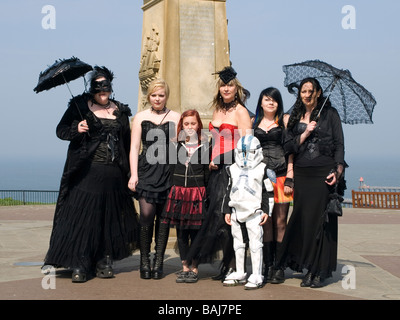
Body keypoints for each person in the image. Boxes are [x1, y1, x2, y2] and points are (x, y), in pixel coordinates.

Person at [43, 66, 139, 283]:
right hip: (87, 172)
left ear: (111, 87)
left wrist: (131, 173)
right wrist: (77, 129)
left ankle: (104, 260)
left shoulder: (121, 111)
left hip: (114, 174)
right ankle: (81, 261)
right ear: (92, 88)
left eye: (106, 87)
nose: (102, 91)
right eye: (98, 87)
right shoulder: (79, 106)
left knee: (108, 218)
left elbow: (126, 143)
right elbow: (61, 130)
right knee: (84, 218)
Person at [185, 66, 252, 281]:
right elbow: (214, 139)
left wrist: (220, 159)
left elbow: (247, 146)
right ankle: (227, 265)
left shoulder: (241, 112)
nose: (226, 88)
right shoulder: (217, 110)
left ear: (236, 88)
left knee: (223, 219)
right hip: (214, 171)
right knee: (216, 217)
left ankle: (228, 265)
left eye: (230, 85)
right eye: (223, 85)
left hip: (231, 171)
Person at [278, 77, 346, 288]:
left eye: (310, 91)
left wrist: (337, 170)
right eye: (303, 91)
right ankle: (307, 265)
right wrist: (306, 131)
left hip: (323, 173)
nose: (307, 95)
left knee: (320, 221)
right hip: (301, 173)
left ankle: (318, 270)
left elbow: (340, 145)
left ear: (318, 93)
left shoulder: (330, 114)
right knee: (303, 220)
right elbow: (289, 146)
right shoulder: (296, 116)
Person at [128, 79, 180, 280]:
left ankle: (158, 262)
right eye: (154, 95)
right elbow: (134, 148)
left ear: (166, 96)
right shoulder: (140, 117)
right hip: (146, 170)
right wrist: (134, 175)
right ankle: (144, 259)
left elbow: (179, 147)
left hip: (169, 170)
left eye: (161, 95)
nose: (157, 99)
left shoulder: (176, 116)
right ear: (149, 96)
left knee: (165, 218)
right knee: (147, 214)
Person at [161, 109, 210, 283]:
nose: (189, 127)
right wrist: (172, 190)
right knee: (181, 233)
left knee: (196, 232)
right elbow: (171, 170)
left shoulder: (205, 145)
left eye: (193, 124)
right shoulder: (175, 145)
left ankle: (195, 267)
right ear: (181, 125)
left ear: (198, 125)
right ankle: (184, 267)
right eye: (186, 124)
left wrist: (207, 195)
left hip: (197, 193)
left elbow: (206, 173)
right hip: (179, 192)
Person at [253, 87, 294, 284]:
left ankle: (279, 266)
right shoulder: (254, 123)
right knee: (266, 222)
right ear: (261, 102)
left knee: (280, 221)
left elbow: (290, 150)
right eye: (267, 99)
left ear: (278, 103)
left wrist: (290, 177)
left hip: (281, 175)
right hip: (261, 179)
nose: (270, 103)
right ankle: (267, 265)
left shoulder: (284, 120)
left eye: (274, 100)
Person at [223, 135, 274, 289]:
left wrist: (267, 211)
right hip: (236, 210)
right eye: (242, 152)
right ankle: (240, 272)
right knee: (238, 243)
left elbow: (268, 192)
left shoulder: (263, 168)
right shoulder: (231, 168)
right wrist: (226, 210)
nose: (245, 157)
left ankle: (257, 274)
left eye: (249, 152)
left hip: (254, 211)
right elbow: (228, 190)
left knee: (255, 244)